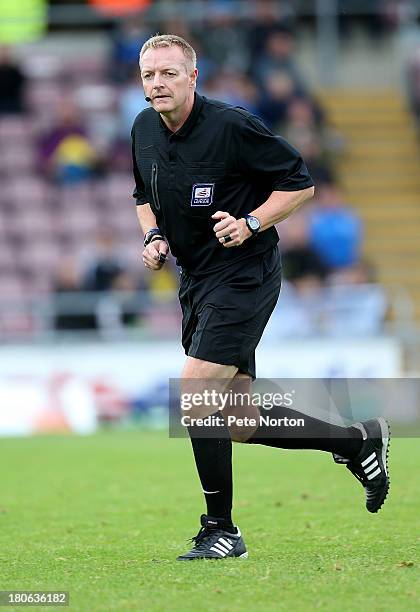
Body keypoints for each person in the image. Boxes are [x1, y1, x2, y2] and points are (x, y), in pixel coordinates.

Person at [131, 34, 391, 561]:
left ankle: (220, 529)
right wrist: (153, 236)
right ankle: (356, 442)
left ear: (192, 77)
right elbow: (142, 195)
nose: (157, 84)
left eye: (168, 74)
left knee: (197, 392)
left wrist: (251, 222)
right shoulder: (142, 129)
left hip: (245, 273)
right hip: (198, 279)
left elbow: (300, 183)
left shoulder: (232, 126)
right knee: (235, 418)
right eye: (149, 75)